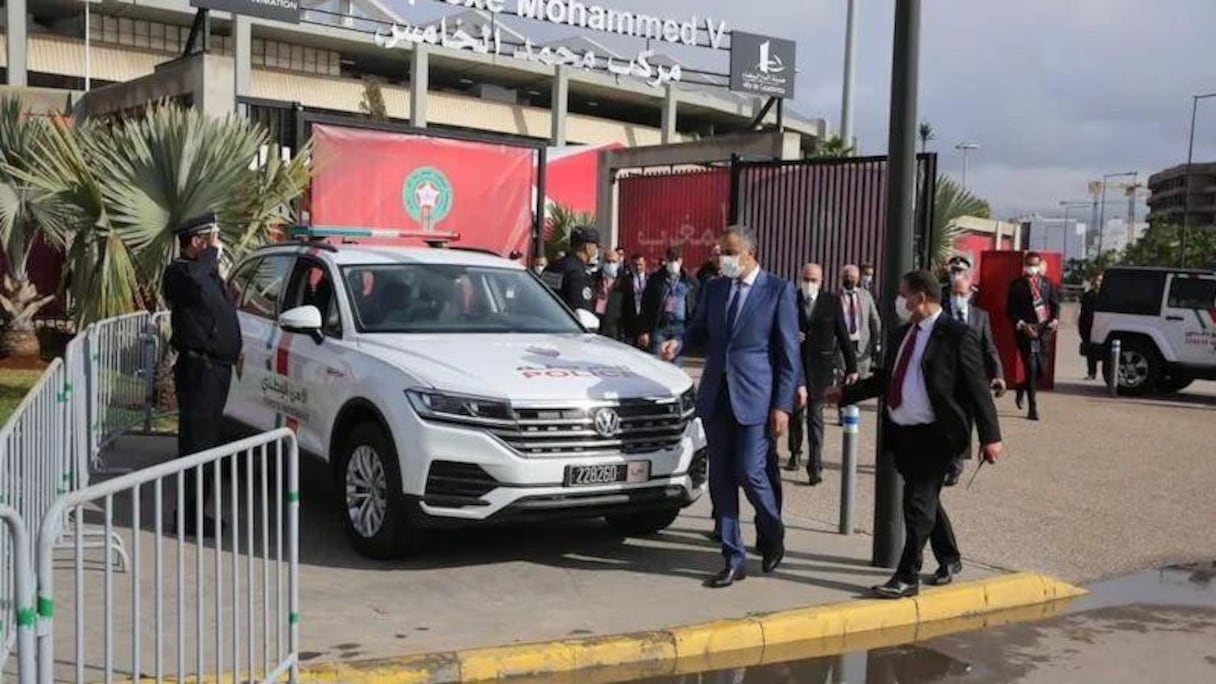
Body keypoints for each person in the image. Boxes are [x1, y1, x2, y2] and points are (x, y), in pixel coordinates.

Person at [827, 270, 1003, 598]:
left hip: (938, 436)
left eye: (903, 294)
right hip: (903, 432)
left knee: (916, 505)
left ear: (921, 298)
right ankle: (949, 557)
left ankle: (907, 576)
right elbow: (885, 379)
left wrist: (991, 437)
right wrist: (845, 394)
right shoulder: (902, 334)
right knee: (925, 501)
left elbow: (978, 389)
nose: (899, 301)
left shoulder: (956, 335)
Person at [660, 225, 799, 588]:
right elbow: (700, 331)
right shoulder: (715, 288)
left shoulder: (778, 291)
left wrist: (782, 405)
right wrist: (679, 342)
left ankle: (773, 529)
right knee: (720, 477)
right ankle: (732, 556)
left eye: (729, 251)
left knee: (751, 471)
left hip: (756, 396)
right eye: (720, 251)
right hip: (716, 396)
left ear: (750, 253)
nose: (722, 258)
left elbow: (788, 355)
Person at [163, 212, 242, 537]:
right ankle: (189, 517)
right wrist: (210, 255)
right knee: (197, 444)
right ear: (196, 240)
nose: (217, 244)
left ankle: (197, 512)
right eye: (211, 238)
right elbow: (193, 284)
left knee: (208, 444)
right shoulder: (180, 272)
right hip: (199, 371)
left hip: (217, 370)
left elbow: (215, 308)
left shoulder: (206, 273)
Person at [786, 263, 858, 484]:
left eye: (813, 280)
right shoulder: (791, 299)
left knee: (815, 419)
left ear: (822, 281)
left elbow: (844, 336)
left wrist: (852, 367)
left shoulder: (831, 302)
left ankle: (815, 466)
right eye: (806, 279)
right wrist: (791, 335)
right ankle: (795, 452)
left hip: (821, 369)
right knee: (796, 416)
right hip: (796, 367)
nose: (809, 284)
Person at [942, 269, 1006, 486]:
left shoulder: (981, 317)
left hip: (972, 378)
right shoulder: (941, 315)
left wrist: (998, 374)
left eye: (962, 293)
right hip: (946, 378)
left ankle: (956, 465)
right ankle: (947, 461)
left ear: (970, 294)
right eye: (954, 293)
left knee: (964, 422)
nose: (957, 297)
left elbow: (990, 348)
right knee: (947, 420)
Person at [1007, 251, 1060, 421]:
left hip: (1043, 331)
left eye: (1034, 264)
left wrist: (1055, 320)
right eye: (1029, 264)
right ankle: (1033, 408)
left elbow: (1055, 305)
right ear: (1024, 265)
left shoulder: (1047, 284)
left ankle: (1022, 387)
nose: (1032, 268)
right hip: (1026, 331)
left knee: (1040, 371)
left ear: (1039, 265)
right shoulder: (1017, 285)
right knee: (1031, 366)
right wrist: (1022, 325)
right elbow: (1010, 310)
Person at [638, 246, 699, 365]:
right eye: (670, 260)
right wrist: (645, 329)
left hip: (680, 328)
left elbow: (696, 305)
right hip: (660, 326)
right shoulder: (656, 279)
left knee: (676, 365)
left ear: (681, 260)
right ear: (666, 260)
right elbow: (646, 304)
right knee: (656, 363)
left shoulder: (690, 281)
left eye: (676, 260)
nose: (673, 263)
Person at [542, 226, 600, 315]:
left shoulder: (551, 267)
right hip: (566, 325)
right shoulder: (578, 274)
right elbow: (582, 312)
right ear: (588, 247)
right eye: (596, 247)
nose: (596, 251)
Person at [839, 264, 882, 379]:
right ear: (841, 278)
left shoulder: (866, 295)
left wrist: (876, 341)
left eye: (852, 277)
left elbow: (874, 319)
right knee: (843, 383)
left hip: (862, 346)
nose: (849, 279)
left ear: (858, 279)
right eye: (847, 276)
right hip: (842, 347)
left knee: (861, 383)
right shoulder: (835, 297)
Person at [1078, 273, 1104, 380]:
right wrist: (1082, 327)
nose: (1098, 283)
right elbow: (1083, 313)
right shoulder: (1087, 295)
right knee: (1090, 351)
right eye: (1096, 280)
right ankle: (1091, 373)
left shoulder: (1106, 296)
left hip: (1102, 326)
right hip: (1088, 326)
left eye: (1100, 280)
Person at [595, 250, 625, 338]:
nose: (610, 264)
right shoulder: (595, 278)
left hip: (614, 327)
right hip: (596, 323)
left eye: (614, 262)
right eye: (608, 261)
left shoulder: (624, 281)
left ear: (618, 263)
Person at [620, 254, 649, 344]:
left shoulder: (651, 279)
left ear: (645, 264)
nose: (638, 267)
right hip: (630, 318)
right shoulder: (625, 280)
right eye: (635, 265)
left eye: (640, 264)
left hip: (645, 318)